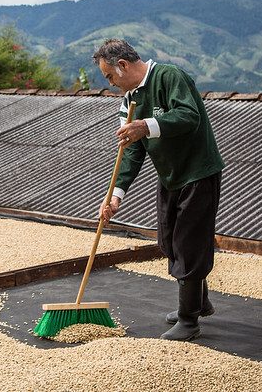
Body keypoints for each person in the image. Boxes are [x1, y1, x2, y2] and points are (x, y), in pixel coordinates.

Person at [93, 39, 224, 341]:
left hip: (198, 172)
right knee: (169, 240)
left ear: (122, 66)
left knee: (189, 243)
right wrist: (115, 195)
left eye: (110, 77)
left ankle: (189, 320)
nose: (111, 84)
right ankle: (198, 302)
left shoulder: (169, 77)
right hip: (170, 176)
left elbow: (189, 116)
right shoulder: (129, 100)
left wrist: (146, 125)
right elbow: (131, 151)